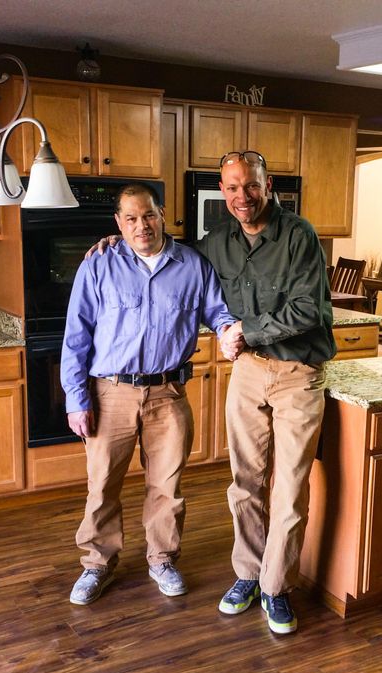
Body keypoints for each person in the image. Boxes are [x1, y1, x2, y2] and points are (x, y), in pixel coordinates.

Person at [61, 183, 237, 606]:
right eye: (131, 218)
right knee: (103, 484)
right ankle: (97, 563)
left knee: (166, 486)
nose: (142, 226)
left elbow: (218, 311)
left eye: (149, 216)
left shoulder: (193, 265)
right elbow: (76, 336)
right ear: (118, 223)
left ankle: (162, 558)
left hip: (168, 392)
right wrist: (76, 397)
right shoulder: (99, 264)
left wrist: (231, 330)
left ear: (162, 215)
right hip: (110, 392)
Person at [206, 151, 336, 634]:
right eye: (233, 188)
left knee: (289, 483)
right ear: (223, 189)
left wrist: (244, 329)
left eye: (252, 186)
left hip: (299, 371)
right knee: (244, 479)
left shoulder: (299, 235)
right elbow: (175, 269)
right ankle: (248, 575)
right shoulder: (217, 242)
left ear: (268, 183)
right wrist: (119, 243)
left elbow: (309, 311)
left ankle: (276, 586)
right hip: (247, 371)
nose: (243, 197)